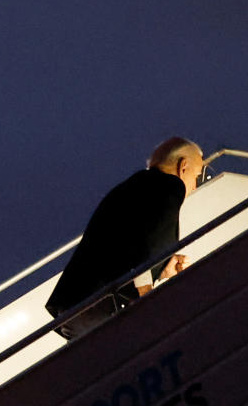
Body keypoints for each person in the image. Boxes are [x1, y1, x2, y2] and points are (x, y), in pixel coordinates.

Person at [45, 137, 204, 339]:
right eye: (197, 176)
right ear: (184, 166)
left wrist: (161, 270)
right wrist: (147, 298)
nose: (195, 186)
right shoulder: (170, 186)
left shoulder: (133, 187)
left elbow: (131, 243)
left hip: (76, 304)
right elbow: (148, 244)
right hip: (103, 305)